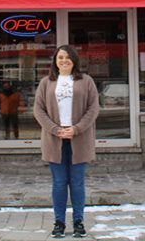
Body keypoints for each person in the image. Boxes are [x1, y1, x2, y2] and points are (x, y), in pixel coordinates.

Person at [33, 45, 100, 238]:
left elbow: (93, 108)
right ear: (55, 60)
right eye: (60, 57)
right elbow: (38, 110)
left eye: (68, 57)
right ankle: (59, 223)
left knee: (77, 183)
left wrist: (76, 129)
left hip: (79, 139)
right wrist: (56, 130)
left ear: (74, 60)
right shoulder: (46, 83)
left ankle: (78, 221)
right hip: (55, 140)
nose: (64, 61)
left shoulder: (86, 81)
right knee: (60, 183)